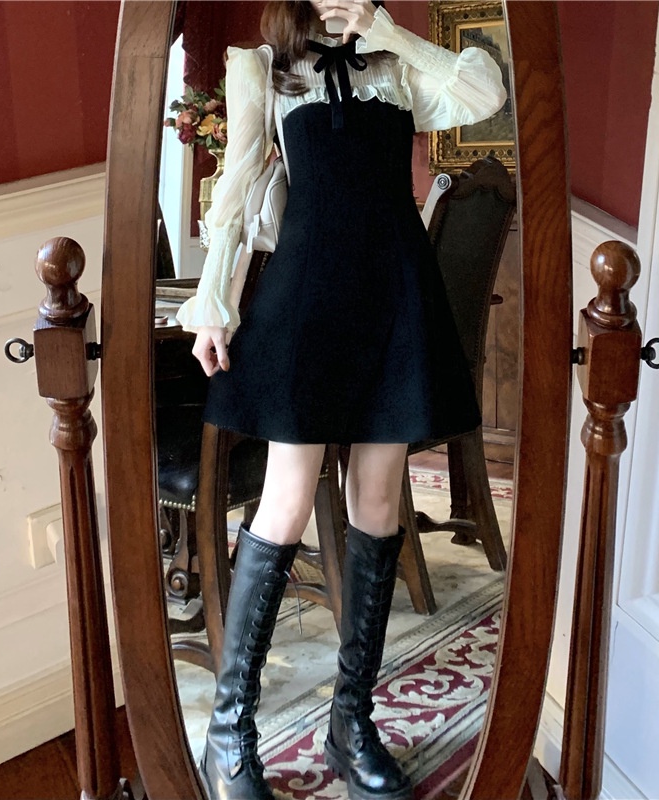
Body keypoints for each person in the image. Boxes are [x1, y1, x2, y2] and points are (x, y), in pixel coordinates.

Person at [176, 2, 507, 798]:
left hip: (394, 293)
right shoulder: (262, 67)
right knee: (286, 501)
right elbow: (237, 187)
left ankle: (351, 722)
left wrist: (386, 32)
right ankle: (229, 733)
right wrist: (214, 301)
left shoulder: (397, 68)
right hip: (307, 296)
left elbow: (485, 93)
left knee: (379, 500)